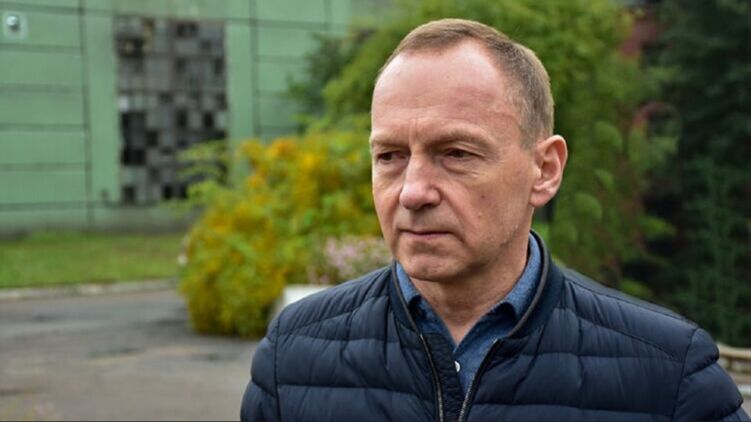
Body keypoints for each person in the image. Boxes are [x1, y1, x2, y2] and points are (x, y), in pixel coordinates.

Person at [241, 18, 748, 421]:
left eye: (456, 153)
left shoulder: (669, 376)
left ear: (544, 170)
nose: (413, 191)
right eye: (390, 156)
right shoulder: (294, 357)